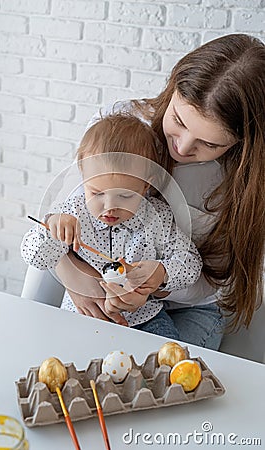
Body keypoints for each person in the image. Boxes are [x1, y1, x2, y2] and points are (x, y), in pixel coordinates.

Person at [22, 33, 265, 351]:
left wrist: (156, 282)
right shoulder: (119, 125)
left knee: (164, 376)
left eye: (210, 143)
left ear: (241, 142)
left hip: (188, 304)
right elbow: (65, 214)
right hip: (92, 285)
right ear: (173, 86)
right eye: (178, 120)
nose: (183, 146)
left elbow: (213, 285)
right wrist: (79, 281)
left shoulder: (242, 182)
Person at [21, 113, 202, 338]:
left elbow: (190, 263)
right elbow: (35, 256)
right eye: (97, 193)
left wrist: (162, 273)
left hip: (146, 320)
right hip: (82, 315)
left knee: (167, 359)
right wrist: (51, 227)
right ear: (83, 176)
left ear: (147, 185)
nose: (109, 208)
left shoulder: (157, 217)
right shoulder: (73, 211)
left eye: (125, 196)